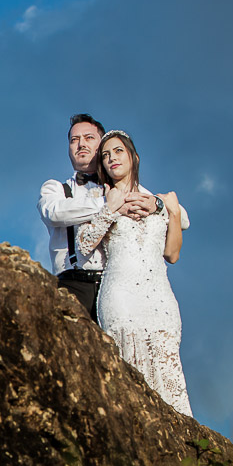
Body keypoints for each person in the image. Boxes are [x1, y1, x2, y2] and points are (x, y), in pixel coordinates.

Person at [74, 129, 192, 416]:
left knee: (168, 372)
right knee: (130, 374)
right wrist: (110, 209)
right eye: (105, 155)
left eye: (118, 151)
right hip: (121, 297)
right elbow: (83, 247)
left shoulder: (157, 201)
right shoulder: (98, 197)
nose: (112, 158)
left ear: (133, 157)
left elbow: (172, 254)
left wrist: (169, 210)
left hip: (161, 300)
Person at [37, 114, 174, 321]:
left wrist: (158, 204)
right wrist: (107, 206)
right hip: (73, 284)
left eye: (89, 138)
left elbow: (181, 216)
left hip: (116, 287)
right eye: (74, 140)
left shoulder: (121, 187)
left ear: (101, 146)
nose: (81, 144)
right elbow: (53, 212)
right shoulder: (57, 188)